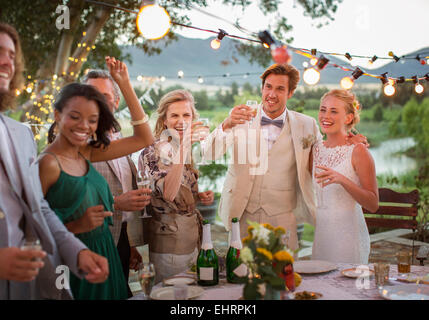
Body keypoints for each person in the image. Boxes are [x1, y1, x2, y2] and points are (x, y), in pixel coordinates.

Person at [203, 63, 367, 251]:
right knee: (240, 273)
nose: (272, 94)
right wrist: (226, 124)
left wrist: (348, 139)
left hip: (282, 216)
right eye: (268, 87)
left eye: (280, 89)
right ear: (262, 88)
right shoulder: (241, 117)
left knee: (284, 274)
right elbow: (209, 153)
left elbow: (324, 154)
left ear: (290, 93)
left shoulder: (307, 125)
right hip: (241, 212)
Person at [0, 22, 109, 300]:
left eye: (12, 55)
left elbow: (40, 209)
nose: (6, 62)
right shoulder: (49, 158)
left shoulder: (21, 134)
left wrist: (77, 251)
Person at [38, 58, 154, 299]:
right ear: (57, 115)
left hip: (107, 251)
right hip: (76, 259)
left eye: (92, 119)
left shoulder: (88, 150)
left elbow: (144, 138)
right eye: (75, 116)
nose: (85, 126)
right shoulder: (47, 163)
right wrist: (78, 225)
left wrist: (124, 83)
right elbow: (31, 229)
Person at [82, 68, 150, 298]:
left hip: (118, 238)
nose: (98, 102)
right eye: (91, 94)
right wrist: (116, 203)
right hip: (89, 241)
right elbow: (68, 199)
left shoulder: (117, 136)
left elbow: (121, 183)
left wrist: (128, 243)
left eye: (105, 96)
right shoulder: (78, 141)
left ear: (116, 100)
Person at [138, 89, 214, 283]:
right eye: (175, 115)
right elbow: (169, 194)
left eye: (186, 115)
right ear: (164, 120)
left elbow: (181, 193)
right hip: (169, 245)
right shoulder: (152, 150)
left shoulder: (180, 148)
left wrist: (199, 197)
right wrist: (185, 147)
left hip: (192, 239)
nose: (181, 121)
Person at [311, 89, 378, 264]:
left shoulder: (358, 151)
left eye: (334, 111)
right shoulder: (315, 149)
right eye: (323, 109)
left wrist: (342, 179)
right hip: (322, 239)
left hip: (348, 240)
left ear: (348, 118)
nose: (326, 116)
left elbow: (373, 203)